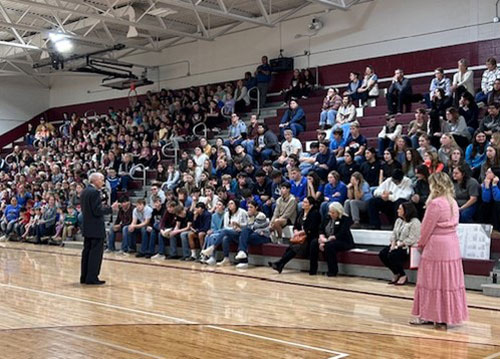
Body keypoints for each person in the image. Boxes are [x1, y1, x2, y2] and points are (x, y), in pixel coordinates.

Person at [411, 172, 468, 328]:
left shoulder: (435, 204)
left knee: (432, 280)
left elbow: (426, 228)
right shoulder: (453, 202)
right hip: (452, 244)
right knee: (448, 280)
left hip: (436, 245)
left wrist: (420, 245)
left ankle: (434, 316)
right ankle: (443, 316)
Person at [80, 172, 117, 285]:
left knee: (87, 252)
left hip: (87, 226)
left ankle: (84, 276)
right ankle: (92, 278)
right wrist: (111, 209)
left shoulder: (84, 191)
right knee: (95, 254)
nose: (103, 182)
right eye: (101, 179)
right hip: (95, 227)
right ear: (95, 180)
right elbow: (97, 210)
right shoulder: (95, 192)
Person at [268, 196, 321, 274]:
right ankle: (280, 264)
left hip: (310, 237)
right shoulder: (301, 213)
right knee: (291, 247)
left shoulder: (315, 214)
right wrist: (296, 231)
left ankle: (280, 263)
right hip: (300, 237)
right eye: (303, 201)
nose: (303, 203)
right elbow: (296, 225)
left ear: (311, 205)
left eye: (306, 202)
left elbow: (312, 228)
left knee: (295, 247)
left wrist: (301, 232)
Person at [379, 202, 421, 286]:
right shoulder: (398, 221)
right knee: (383, 254)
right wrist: (393, 244)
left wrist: (399, 245)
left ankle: (403, 275)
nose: (397, 210)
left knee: (393, 255)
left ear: (406, 211)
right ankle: (396, 272)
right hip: (397, 244)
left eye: (400, 209)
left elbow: (413, 239)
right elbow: (394, 234)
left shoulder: (415, 222)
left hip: (408, 247)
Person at [310, 202, 354, 277]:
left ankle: (332, 271)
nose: (330, 214)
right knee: (314, 243)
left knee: (329, 246)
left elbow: (342, 233)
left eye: (333, 213)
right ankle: (313, 269)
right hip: (327, 240)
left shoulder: (345, 219)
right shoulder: (327, 217)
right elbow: (321, 228)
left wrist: (329, 239)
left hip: (343, 241)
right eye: (330, 212)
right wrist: (321, 236)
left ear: (338, 212)